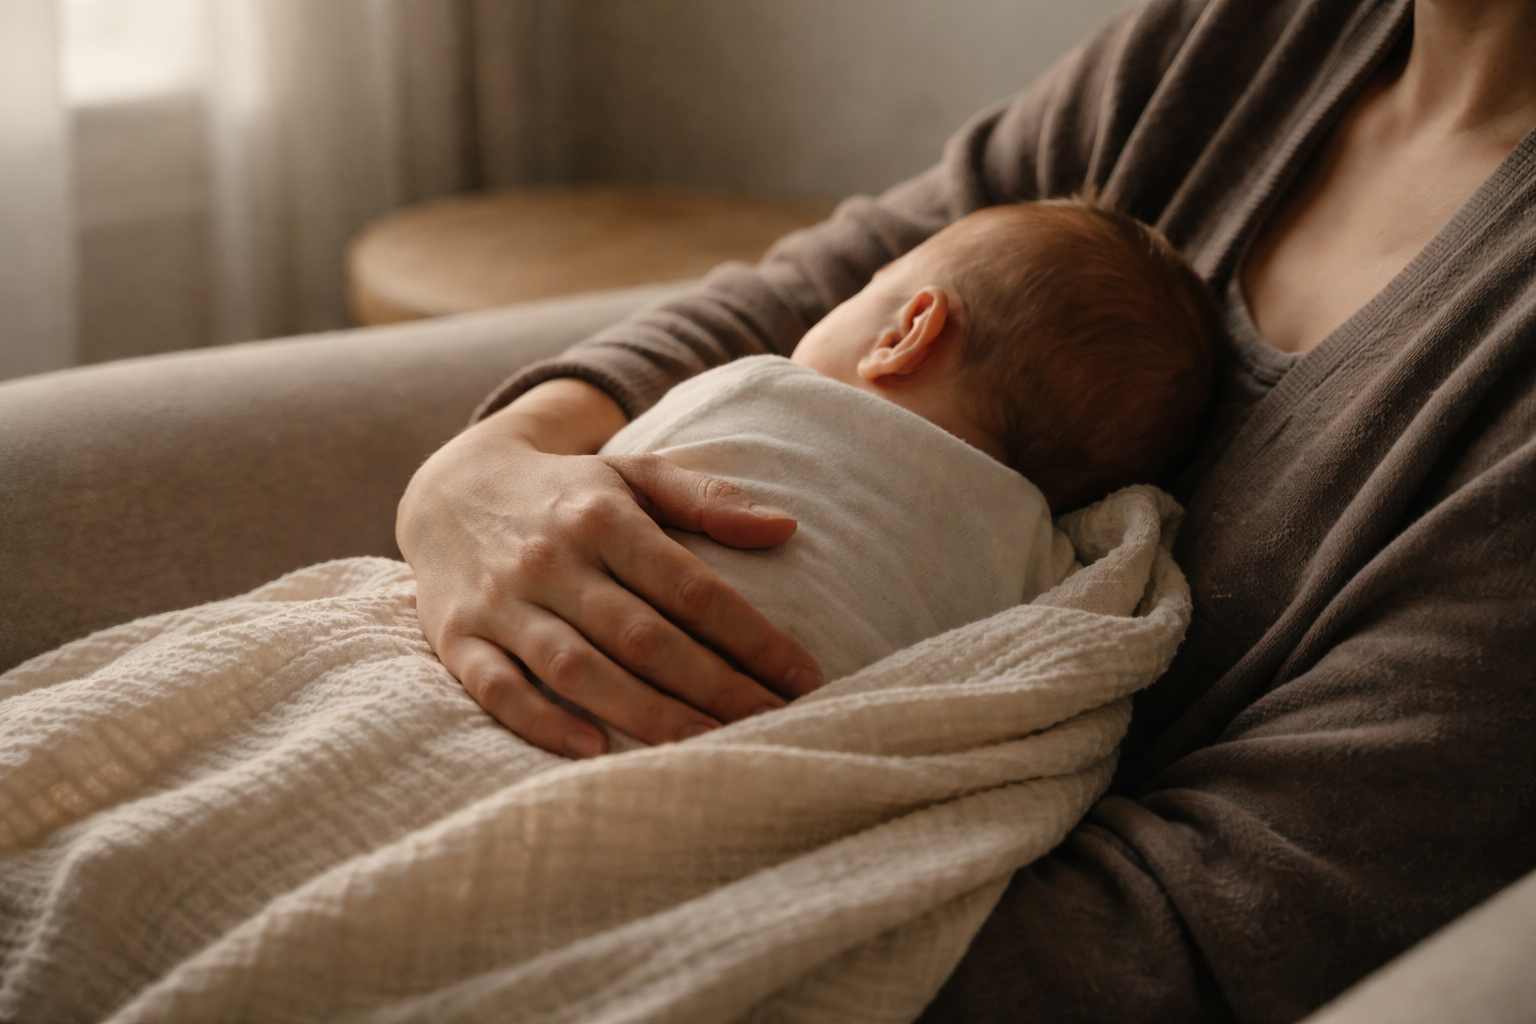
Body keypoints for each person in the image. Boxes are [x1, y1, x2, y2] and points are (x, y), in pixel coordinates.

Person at [396, 0, 1536, 1017]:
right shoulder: (1241, 35)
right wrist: (492, 459)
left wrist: (588, 921)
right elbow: (843, 276)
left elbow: (1213, 924)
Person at [589, 198, 1215, 715]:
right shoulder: (1039, 565)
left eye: (868, 287)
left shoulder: (757, 391)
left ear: (907, 333)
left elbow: (594, 479)